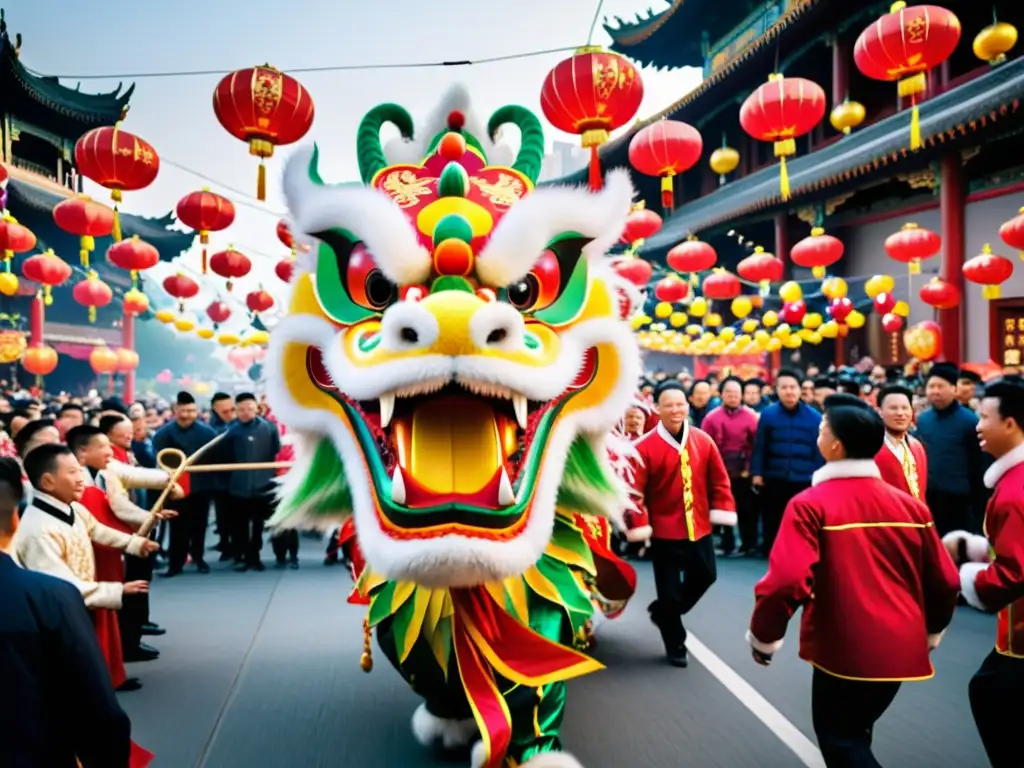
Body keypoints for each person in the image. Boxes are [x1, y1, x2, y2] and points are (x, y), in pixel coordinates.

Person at [747, 394, 960, 768]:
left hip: (844, 647)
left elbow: (785, 580)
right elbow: (944, 579)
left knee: (841, 741)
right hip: (903, 645)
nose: (818, 437)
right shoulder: (911, 506)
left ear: (835, 445)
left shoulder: (810, 504)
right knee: (857, 732)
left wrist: (764, 636)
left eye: (821, 431)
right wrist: (932, 629)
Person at [0, 456, 136, 768]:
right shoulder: (50, 596)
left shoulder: (75, 514)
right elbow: (100, 712)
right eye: (71, 471)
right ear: (14, 521)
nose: (79, 477)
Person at [12, 444, 159, 689]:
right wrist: (116, 591)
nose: (81, 478)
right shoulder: (38, 530)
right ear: (48, 481)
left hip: (83, 597)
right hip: (61, 611)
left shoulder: (75, 509)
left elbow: (97, 530)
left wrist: (135, 544)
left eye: (80, 471)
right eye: (72, 472)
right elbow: (59, 587)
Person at [627, 381, 736, 667]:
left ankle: (664, 612)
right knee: (669, 590)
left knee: (706, 575)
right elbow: (634, 493)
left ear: (687, 406)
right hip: (663, 533)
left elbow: (720, 481)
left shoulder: (703, 441)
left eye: (680, 404)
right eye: (669, 405)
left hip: (699, 527)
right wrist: (640, 526)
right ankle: (675, 643)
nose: (675, 410)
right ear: (657, 408)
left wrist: (723, 512)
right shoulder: (644, 448)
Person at [945, 376, 1024, 768]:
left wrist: (959, 581)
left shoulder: (1014, 490)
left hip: (1021, 634)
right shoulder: (1012, 479)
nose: (977, 424)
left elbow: (1014, 573)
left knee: (993, 698)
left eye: (984, 415)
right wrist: (974, 548)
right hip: (1014, 634)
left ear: (1010, 423)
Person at [99, 415, 178, 651]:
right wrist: (148, 518)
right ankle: (130, 641)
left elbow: (140, 475)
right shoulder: (109, 464)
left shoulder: (125, 455)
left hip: (137, 529)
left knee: (140, 581)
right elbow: (120, 505)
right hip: (124, 533)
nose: (130, 436)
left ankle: (136, 629)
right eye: (125, 433)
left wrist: (167, 480)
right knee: (129, 588)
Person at [751, 370, 824, 555]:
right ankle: (772, 550)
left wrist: (818, 477)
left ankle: (800, 551)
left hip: (804, 478)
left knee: (801, 518)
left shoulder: (815, 417)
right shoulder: (768, 415)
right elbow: (760, 446)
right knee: (772, 516)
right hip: (774, 476)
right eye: (784, 387)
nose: (789, 391)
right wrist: (757, 473)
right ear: (777, 389)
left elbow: (818, 451)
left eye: (793, 387)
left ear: (800, 390)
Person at [916, 363, 989, 535]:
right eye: (931, 386)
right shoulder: (924, 420)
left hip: (961, 502)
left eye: (940, 386)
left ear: (953, 389)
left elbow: (979, 465)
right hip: (930, 498)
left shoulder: (970, 421)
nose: (935, 391)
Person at [152, 392, 219, 576]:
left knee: (200, 524)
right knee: (177, 527)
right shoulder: (163, 434)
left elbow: (214, 459)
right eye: (184, 410)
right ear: (175, 410)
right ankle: (176, 563)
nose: (188, 414)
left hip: (201, 486)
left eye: (192, 410)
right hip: (175, 488)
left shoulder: (207, 433)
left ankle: (198, 557)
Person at [225, 392, 283, 571]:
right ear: (236, 410)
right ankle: (244, 557)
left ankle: (256, 557)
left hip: (263, 484)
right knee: (240, 526)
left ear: (257, 408)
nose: (245, 412)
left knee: (258, 524)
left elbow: (276, 451)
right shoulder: (230, 431)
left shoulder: (269, 428)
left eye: (249, 408)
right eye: (241, 409)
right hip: (238, 487)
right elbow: (225, 456)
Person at [701, 376, 757, 556]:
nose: (732, 396)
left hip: (743, 470)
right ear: (721, 394)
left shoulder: (751, 417)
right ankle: (726, 544)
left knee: (747, 508)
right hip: (719, 469)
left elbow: (756, 445)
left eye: (736, 393)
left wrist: (750, 469)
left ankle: (749, 544)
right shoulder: (711, 418)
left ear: (742, 395)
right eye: (728, 393)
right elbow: (703, 446)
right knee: (721, 506)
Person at [874, 384, 928, 500]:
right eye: (893, 408)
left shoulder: (917, 446)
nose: (900, 413)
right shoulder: (870, 448)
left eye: (905, 408)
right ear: (879, 411)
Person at [208, 392, 237, 561]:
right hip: (218, 479)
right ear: (215, 409)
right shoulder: (211, 427)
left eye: (231, 409)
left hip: (237, 477)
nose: (229, 413)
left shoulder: (238, 424)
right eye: (224, 410)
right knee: (222, 514)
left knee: (236, 515)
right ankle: (225, 543)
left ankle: (236, 546)